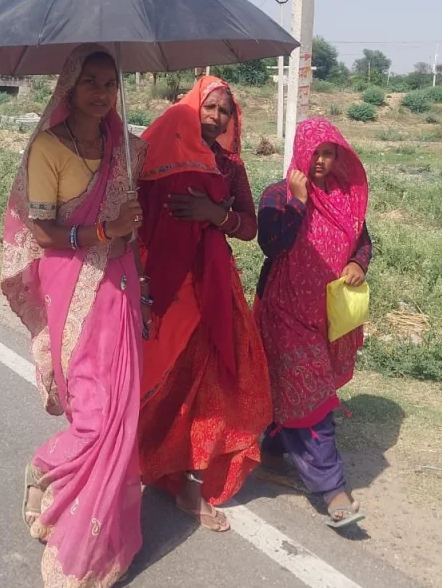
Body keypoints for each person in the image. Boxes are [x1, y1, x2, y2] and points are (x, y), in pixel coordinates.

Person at [1, 44, 149, 588]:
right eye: (90, 81)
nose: (101, 92)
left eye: (110, 83)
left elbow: (126, 229)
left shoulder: (123, 150)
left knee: (122, 410)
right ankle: (49, 468)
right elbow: (41, 232)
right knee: (95, 414)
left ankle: (87, 510)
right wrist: (107, 231)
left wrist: (127, 226)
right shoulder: (49, 148)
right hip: (74, 285)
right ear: (69, 87)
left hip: (121, 286)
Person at [135, 77, 272, 533]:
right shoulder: (161, 152)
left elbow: (250, 228)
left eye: (224, 111)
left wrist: (218, 217)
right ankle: (141, 460)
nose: (216, 117)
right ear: (191, 108)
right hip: (169, 288)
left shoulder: (230, 166)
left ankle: (191, 486)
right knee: (161, 383)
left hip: (214, 289)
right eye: (208, 107)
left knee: (215, 388)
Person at [254, 117, 372, 531]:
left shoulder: (343, 199)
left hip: (324, 315)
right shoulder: (276, 194)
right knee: (313, 397)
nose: (321, 161)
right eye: (315, 152)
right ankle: (333, 491)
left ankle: (271, 447)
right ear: (301, 152)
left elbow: (363, 239)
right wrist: (300, 202)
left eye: (329, 153)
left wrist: (358, 262)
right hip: (283, 311)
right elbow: (269, 242)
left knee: (290, 389)